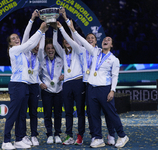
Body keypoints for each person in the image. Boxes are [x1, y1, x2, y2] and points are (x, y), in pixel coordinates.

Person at [68, 20, 129, 148]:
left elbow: (115, 76)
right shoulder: (95, 52)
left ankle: (122, 135)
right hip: (91, 88)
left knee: (111, 113)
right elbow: (83, 41)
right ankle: (98, 138)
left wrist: (112, 90)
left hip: (104, 89)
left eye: (108, 40)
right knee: (93, 114)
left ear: (111, 45)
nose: (105, 40)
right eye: (104, 39)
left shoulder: (114, 60)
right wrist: (73, 29)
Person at [63, 15, 116, 145]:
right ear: (85, 41)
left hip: (101, 84)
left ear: (96, 41)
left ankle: (111, 134)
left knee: (107, 110)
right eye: (88, 38)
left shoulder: (99, 52)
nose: (90, 40)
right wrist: (65, 21)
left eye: (92, 38)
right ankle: (95, 135)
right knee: (91, 112)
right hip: (86, 85)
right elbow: (75, 37)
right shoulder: (80, 49)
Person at [1, 17, 48, 150]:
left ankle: (19, 139)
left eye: (17, 37)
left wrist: (41, 31)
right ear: (10, 44)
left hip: (24, 85)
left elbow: (29, 43)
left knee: (21, 114)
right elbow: (29, 42)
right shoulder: (14, 50)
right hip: (17, 85)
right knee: (13, 113)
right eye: (13, 38)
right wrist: (40, 30)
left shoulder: (22, 53)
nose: (17, 39)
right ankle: (6, 141)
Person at [53, 21, 85, 145]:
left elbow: (72, 39)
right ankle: (69, 135)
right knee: (68, 112)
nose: (67, 41)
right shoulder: (62, 53)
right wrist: (55, 30)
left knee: (81, 111)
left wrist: (66, 29)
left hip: (78, 82)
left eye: (69, 39)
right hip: (67, 84)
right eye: (65, 40)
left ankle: (80, 135)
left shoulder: (77, 50)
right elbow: (55, 43)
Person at [19, 10, 43, 147]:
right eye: (34, 44)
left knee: (33, 112)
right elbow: (26, 36)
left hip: (34, 86)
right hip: (24, 85)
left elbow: (42, 39)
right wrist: (32, 20)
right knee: (22, 113)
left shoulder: (39, 57)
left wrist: (44, 29)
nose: (36, 46)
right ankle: (23, 136)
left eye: (38, 44)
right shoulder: (25, 53)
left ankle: (34, 135)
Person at [38, 33, 64, 144]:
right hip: (47, 91)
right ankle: (49, 134)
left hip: (58, 91)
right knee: (47, 114)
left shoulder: (61, 60)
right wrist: (40, 83)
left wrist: (65, 76)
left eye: (52, 48)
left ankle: (57, 134)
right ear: (45, 50)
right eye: (48, 48)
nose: (50, 50)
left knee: (58, 114)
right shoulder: (42, 61)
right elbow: (36, 74)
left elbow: (69, 71)